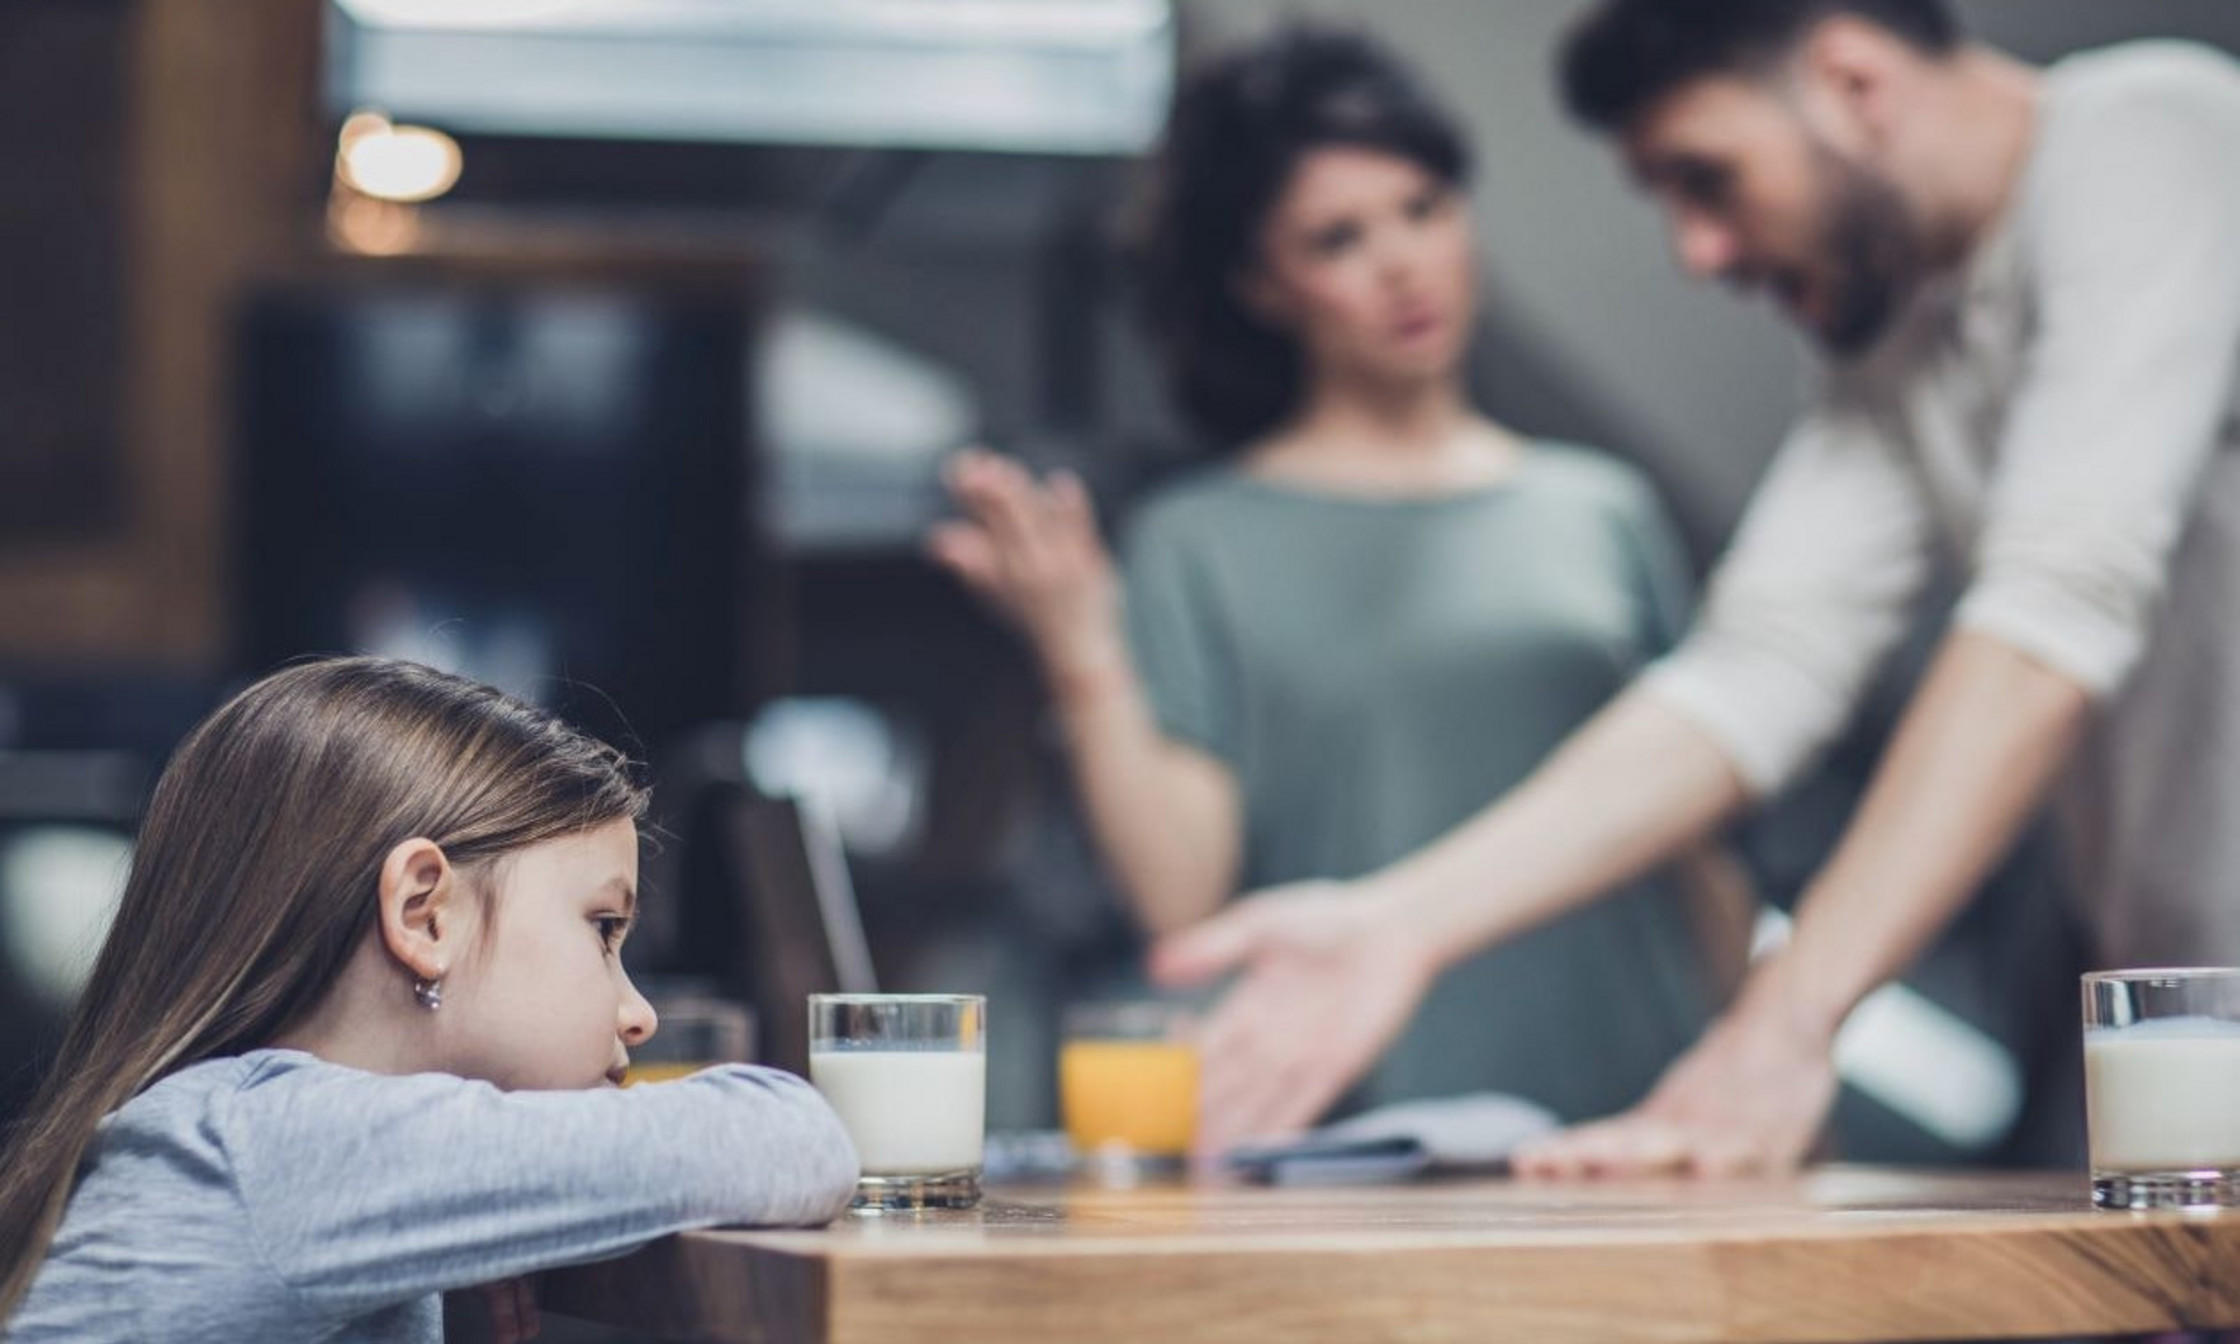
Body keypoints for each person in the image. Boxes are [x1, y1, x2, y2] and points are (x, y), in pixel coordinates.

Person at [1153, 0, 2240, 1173]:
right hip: (2196, 1027)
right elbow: (1753, 672)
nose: (1696, 253)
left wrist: (1783, 1026)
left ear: (1849, 79)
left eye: (1704, 179)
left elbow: (2050, 614)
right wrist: (1399, 924)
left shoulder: (2149, 134)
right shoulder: (1893, 343)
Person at [931, 25, 1753, 1126]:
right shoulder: (1198, 540)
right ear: (1261, 285)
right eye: (1336, 239)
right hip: (1364, 1119)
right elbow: (1182, 899)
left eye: (1423, 209)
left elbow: (1689, 829)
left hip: (1638, 1101)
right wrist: (1081, 648)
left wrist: (1762, 1051)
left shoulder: (1602, 509)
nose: (1403, 263)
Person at [0, 658, 860, 1341]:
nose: (637, 1013)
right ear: (423, 913)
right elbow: (790, 1136)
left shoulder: (255, 1141)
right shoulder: (279, 1144)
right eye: (602, 928)